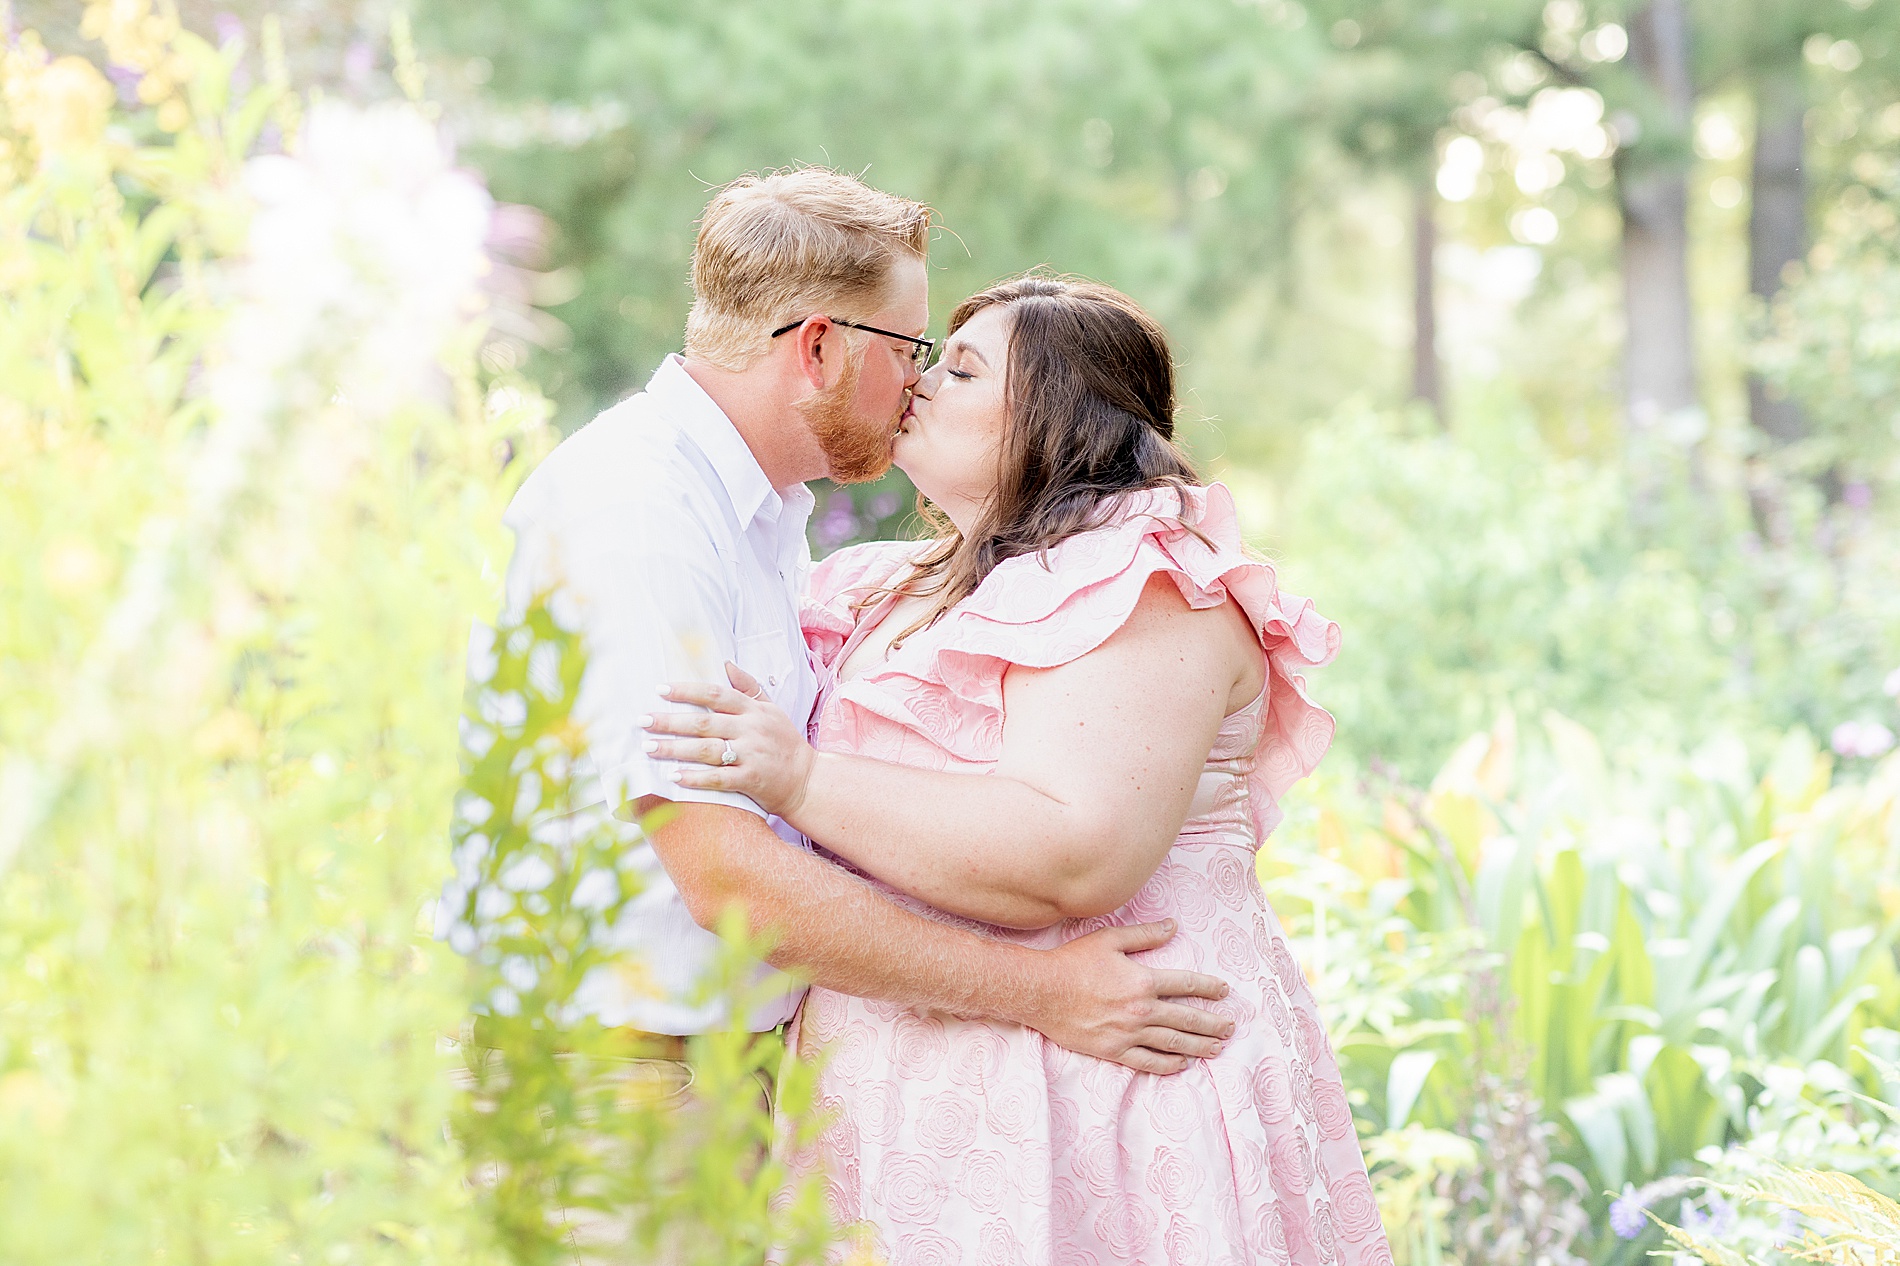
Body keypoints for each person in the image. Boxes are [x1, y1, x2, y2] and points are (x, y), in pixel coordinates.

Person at [643, 275, 1392, 1265]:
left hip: (1105, 1091)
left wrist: (799, 782)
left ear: (1058, 415)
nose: (917, 381)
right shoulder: (890, 586)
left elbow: (1072, 854)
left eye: (960, 369)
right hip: (910, 1104)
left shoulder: (1144, 581)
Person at [442, 169, 1238, 1091]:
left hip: (711, 1082)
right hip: (617, 1085)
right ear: (819, 348)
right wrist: (1040, 991)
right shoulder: (640, 513)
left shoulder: (766, 521)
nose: (917, 383)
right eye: (910, 347)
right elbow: (725, 876)